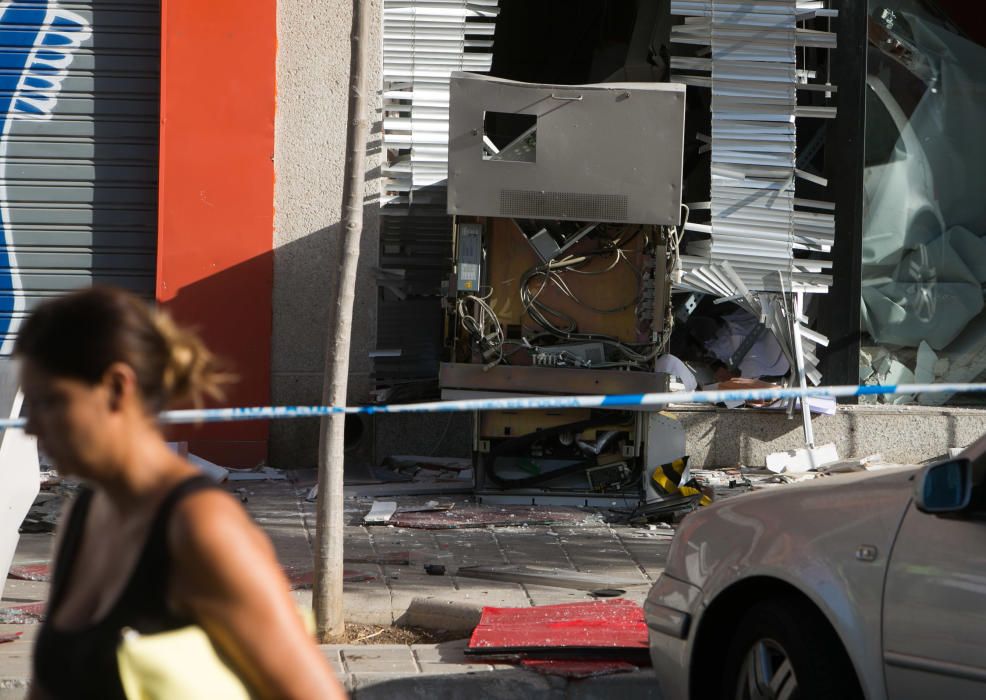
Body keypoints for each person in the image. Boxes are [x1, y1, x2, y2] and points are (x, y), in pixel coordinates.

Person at [19, 287, 346, 700]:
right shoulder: (83, 514)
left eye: (51, 402)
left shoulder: (200, 526)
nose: (32, 428)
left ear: (118, 387)